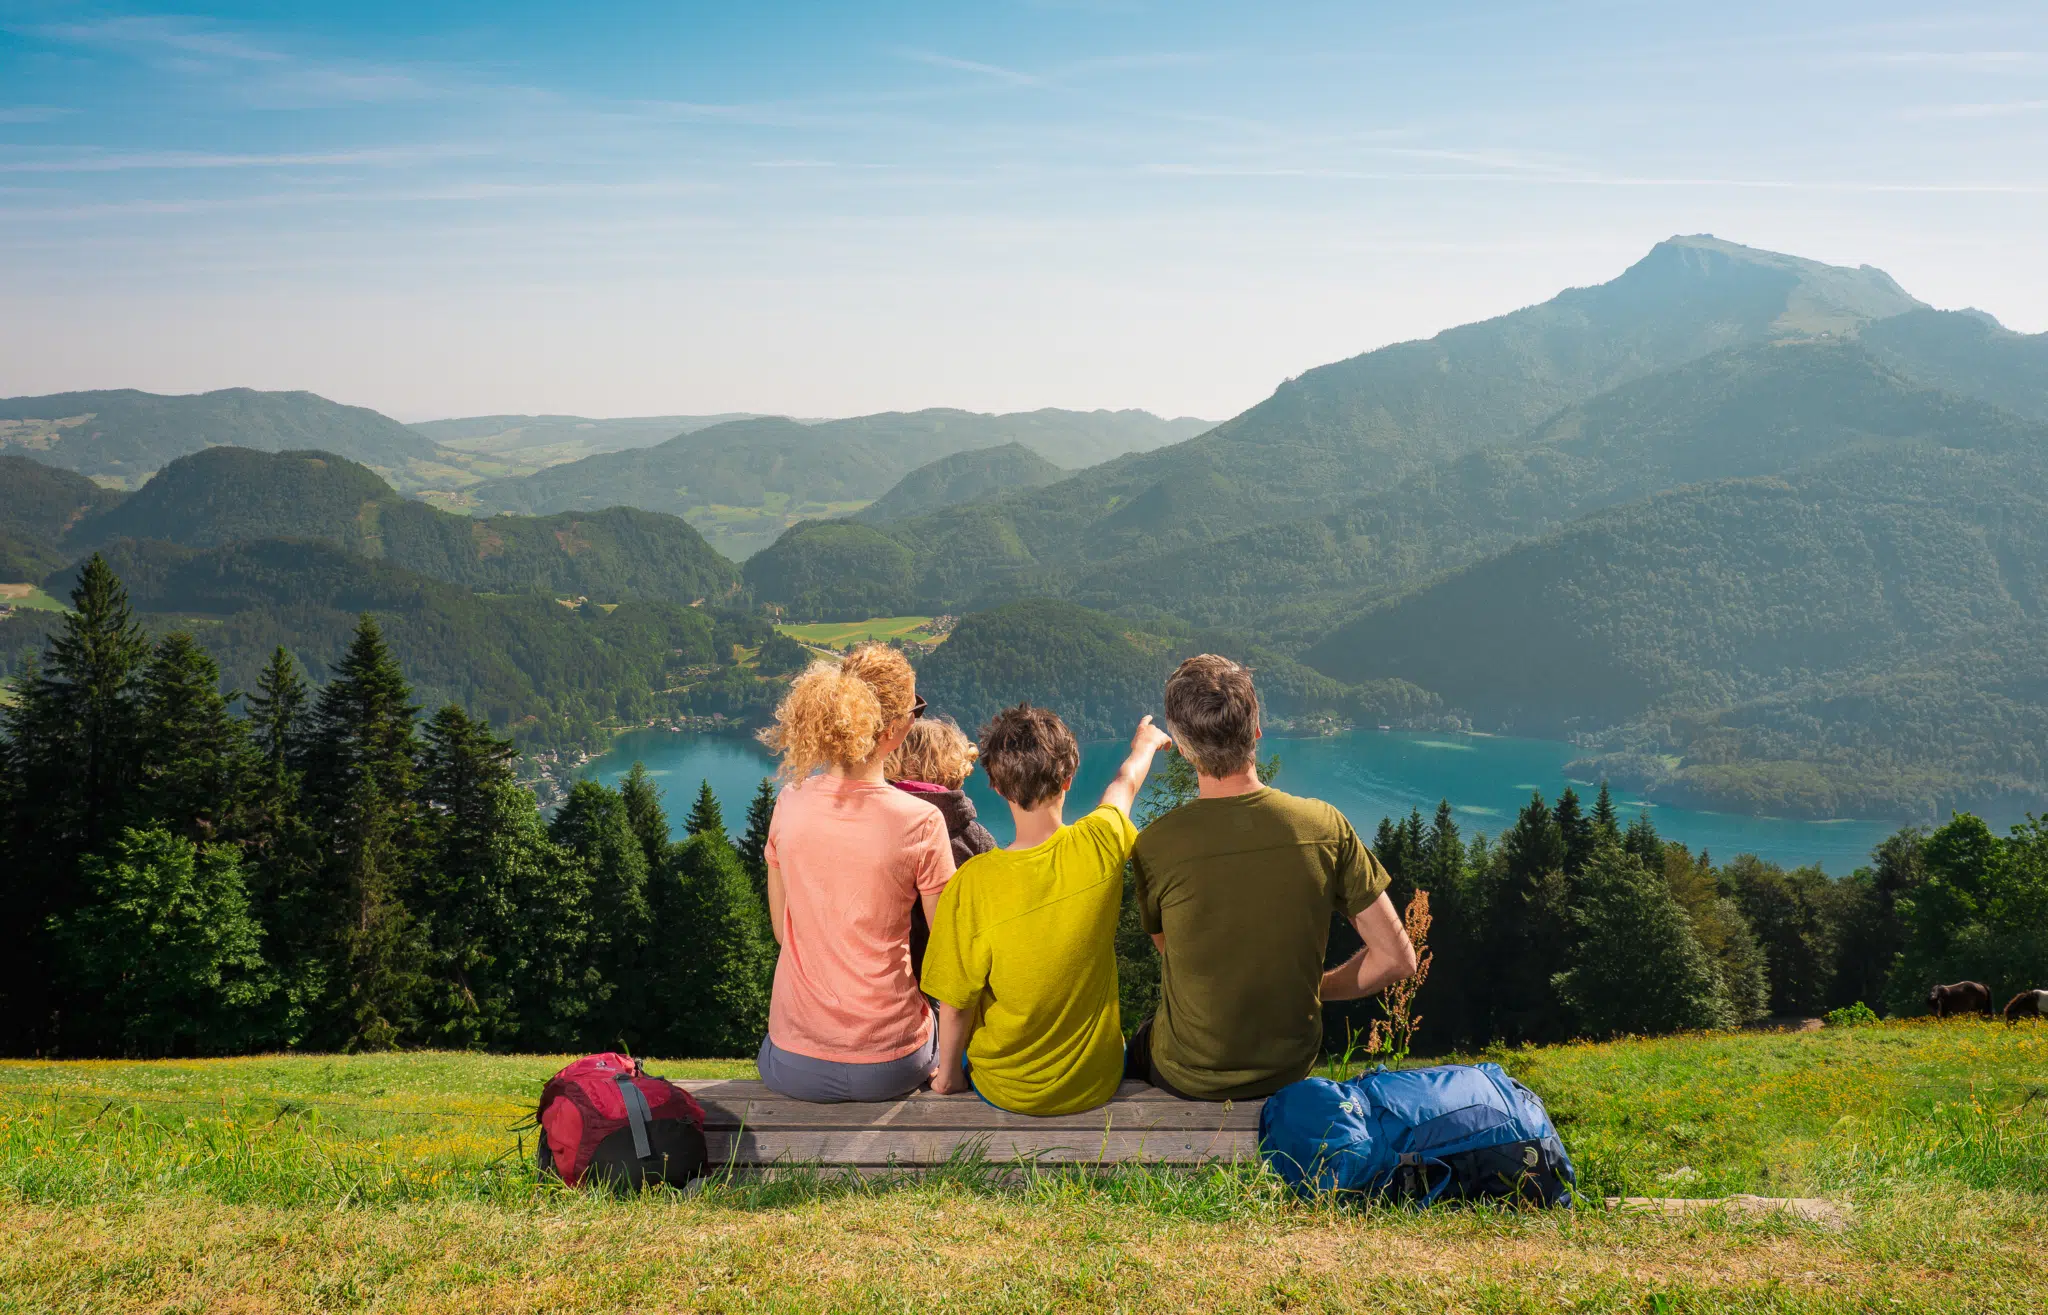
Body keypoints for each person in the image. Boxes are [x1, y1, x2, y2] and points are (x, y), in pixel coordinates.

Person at [1126, 654, 1418, 1101]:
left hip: (1188, 1076)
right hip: (1287, 1071)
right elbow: (1398, 960)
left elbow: (1173, 952)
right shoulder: (1324, 827)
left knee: (1138, 1046)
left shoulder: (1155, 845)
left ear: (1183, 749)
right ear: (1256, 730)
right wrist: (1317, 986)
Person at [921, 705, 1172, 1116]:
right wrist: (1143, 744)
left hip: (1007, 1086)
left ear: (996, 787)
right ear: (1069, 780)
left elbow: (955, 1004)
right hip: (1096, 1078)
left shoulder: (973, 883)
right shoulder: (1100, 844)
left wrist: (949, 1076)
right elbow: (1123, 787)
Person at [754, 644, 955, 1102]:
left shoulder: (789, 804)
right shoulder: (921, 822)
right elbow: (946, 954)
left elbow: (784, 934)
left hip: (793, 1063)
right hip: (892, 1063)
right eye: (914, 710)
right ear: (893, 730)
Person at [884, 716, 999, 978]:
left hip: (881, 978)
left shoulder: (872, 823)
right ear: (955, 768)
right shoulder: (976, 840)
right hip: (950, 981)